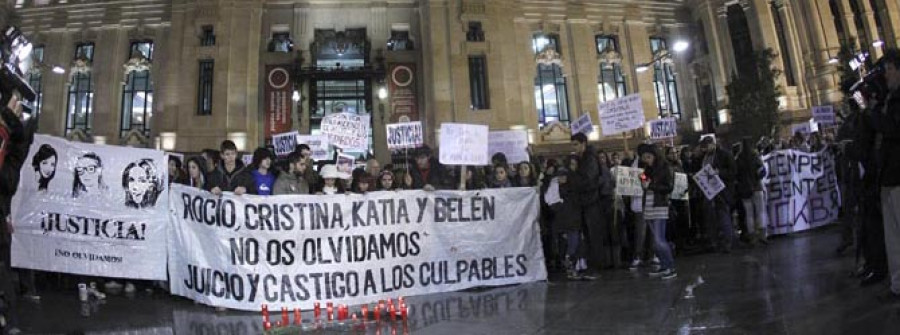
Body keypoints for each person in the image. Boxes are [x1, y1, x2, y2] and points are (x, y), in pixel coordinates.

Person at [871, 49, 900, 301]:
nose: (886, 75)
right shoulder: (888, 100)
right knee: (893, 238)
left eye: (889, 69)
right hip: (888, 177)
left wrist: (874, 114)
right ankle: (897, 284)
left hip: (898, 175)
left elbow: (891, 129)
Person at [637, 143, 677, 279]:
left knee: (659, 239)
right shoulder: (648, 169)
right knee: (655, 240)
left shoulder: (666, 167)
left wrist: (651, 186)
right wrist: (643, 180)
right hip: (649, 205)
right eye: (644, 158)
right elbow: (644, 180)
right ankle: (664, 265)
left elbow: (669, 187)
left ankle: (670, 267)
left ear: (655, 155)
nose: (647, 160)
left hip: (659, 206)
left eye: (648, 157)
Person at [550, 165, 590, 280]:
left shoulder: (572, 190)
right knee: (566, 248)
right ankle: (570, 269)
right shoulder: (554, 191)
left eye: (564, 176)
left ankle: (572, 268)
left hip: (573, 223)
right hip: (563, 224)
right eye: (559, 176)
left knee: (573, 246)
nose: (562, 178)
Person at [569, 133, 601, 276]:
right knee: (588, 236)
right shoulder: (582, 158)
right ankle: (591, 266)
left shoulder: (589, 159)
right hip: (585, 202)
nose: (574, 147)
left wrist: (575, 174)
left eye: (576, 144)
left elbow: (587, 181)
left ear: (583, 144)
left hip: (591, 202)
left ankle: (595, 267)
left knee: (593, 236)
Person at [699, 136, 737, 253]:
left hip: (722, 190)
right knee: (713, 217)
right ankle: (717, 241)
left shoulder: (724, 155)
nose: (705, 150)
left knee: (723, 215)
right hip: (710, 191)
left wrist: (720, 173)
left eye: (706, 147)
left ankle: (728, 243)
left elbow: (733, 172)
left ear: (712, 144)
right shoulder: (705, 157)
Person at [736, 138, 768, 245]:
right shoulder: (755, 157)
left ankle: (752, 236)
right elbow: (763, 171)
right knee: (760, 211)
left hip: (745, 190)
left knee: (749, 214)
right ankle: (762, 235)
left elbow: (737, 175)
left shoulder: (739, 159)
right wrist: (756, 178)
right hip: (757, 187)